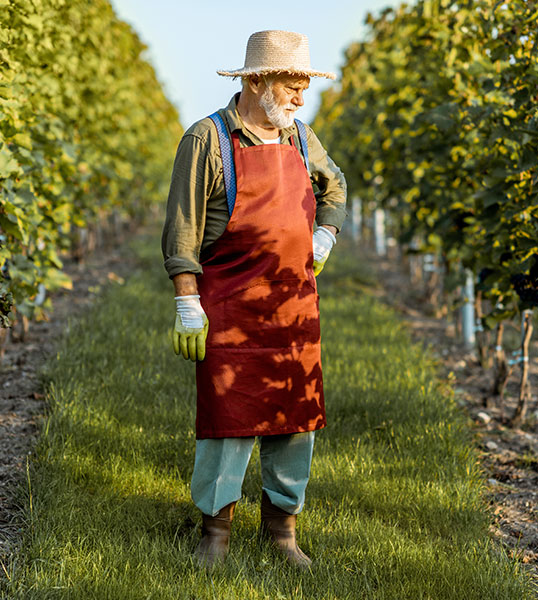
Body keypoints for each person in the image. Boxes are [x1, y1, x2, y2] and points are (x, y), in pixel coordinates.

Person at [161, 29, 347, 568]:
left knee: (294, 418)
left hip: (293, 306)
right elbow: (183, 230)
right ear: (259, 81)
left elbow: (333, 186)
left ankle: (282, 532)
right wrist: (186, 301)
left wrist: (325, 234)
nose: (299, 98)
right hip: (230, 306)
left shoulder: (300, 138)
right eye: (292, 85)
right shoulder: (207, 140)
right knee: (227, 419)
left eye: (303, 87)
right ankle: (214, 534)